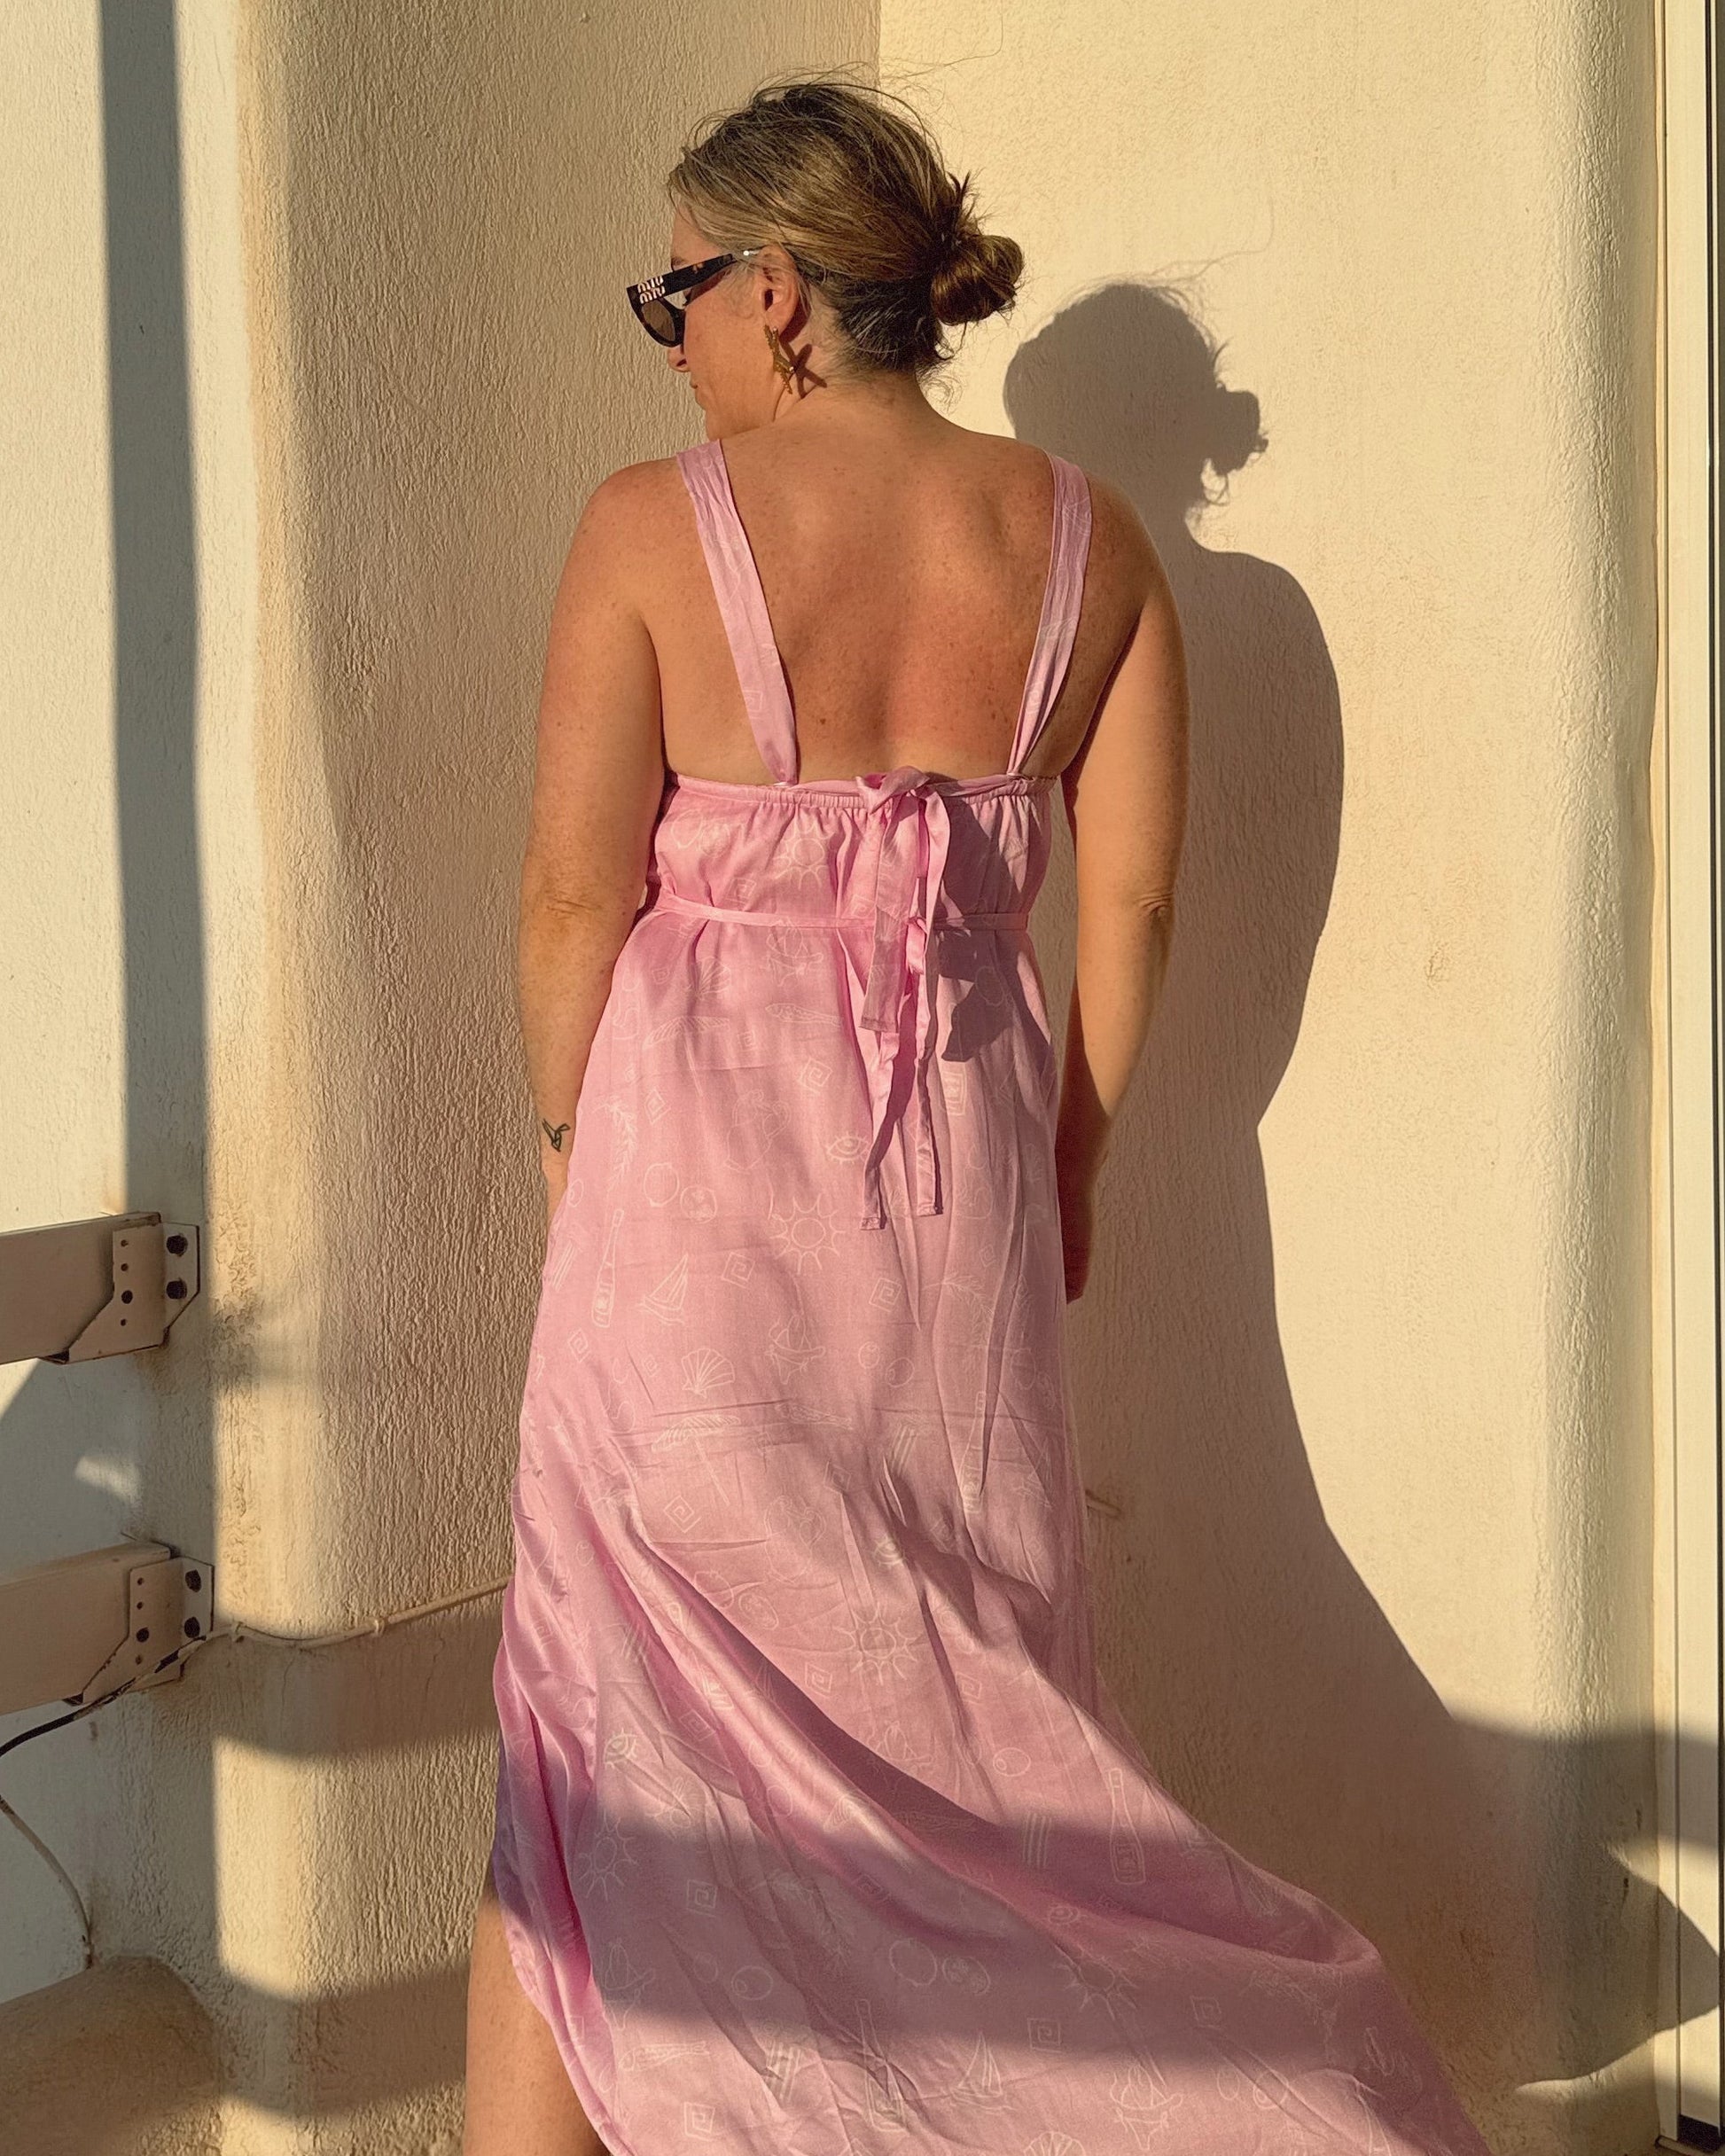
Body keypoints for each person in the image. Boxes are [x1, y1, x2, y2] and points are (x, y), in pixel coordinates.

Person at [464, 68, 1493, 2156]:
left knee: (600, 1709)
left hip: (687, 1225)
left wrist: (577, 1160)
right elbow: (1124, 902)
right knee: (964, 1719)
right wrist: (1070, 1160)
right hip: (954, 1225)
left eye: (670, 306)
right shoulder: (1086, 547)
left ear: (770, 295)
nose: (673, 355)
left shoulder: (656, 529)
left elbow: (576, 891)